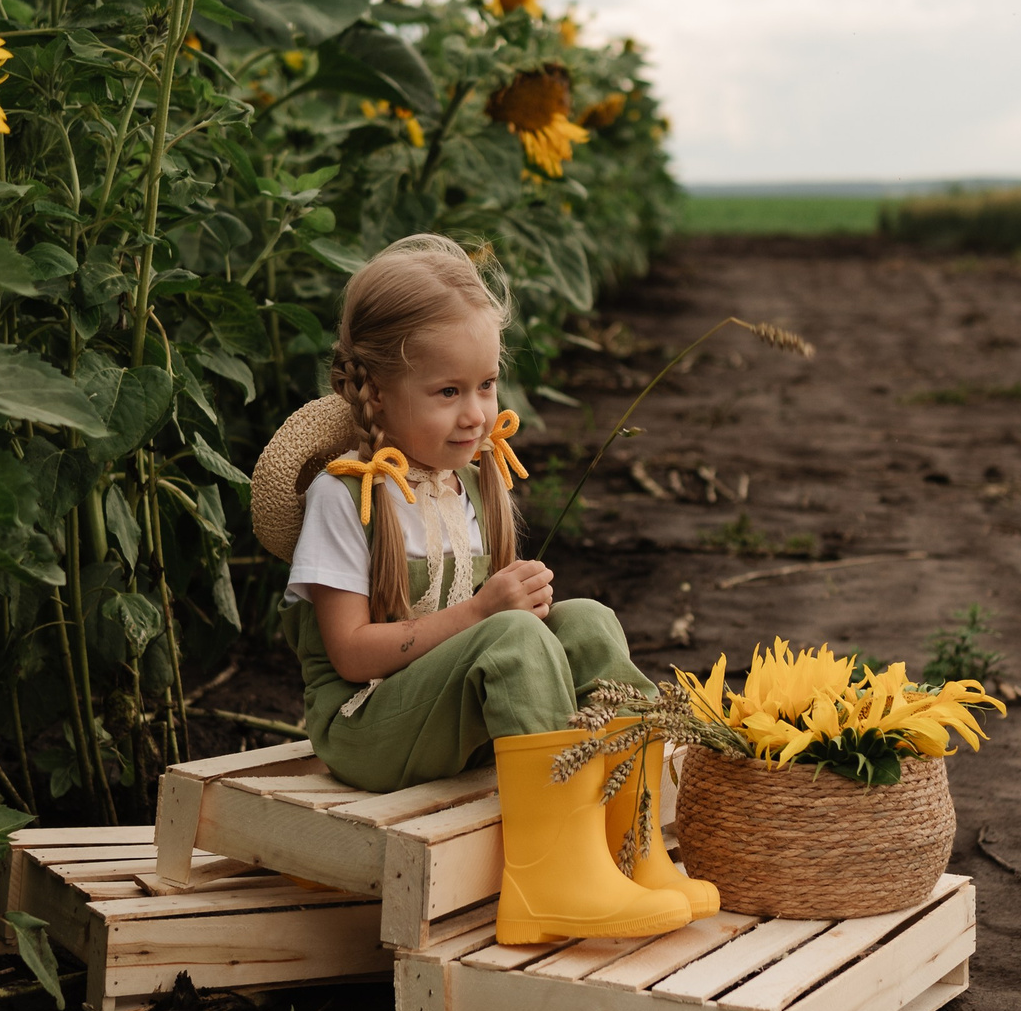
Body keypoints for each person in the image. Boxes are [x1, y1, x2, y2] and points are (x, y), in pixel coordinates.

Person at [248, 234, 717, 943]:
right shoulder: (346, 498)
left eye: (486, 385)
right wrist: (482, 611)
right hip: (365, 723)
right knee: (513, 636)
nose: (475, 413)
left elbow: (506, 628)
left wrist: (515, 604)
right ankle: (552, 878)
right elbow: (348, 654)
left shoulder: (467, 481)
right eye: (447, 392)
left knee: (588, 621)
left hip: (436, 715)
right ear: (375, 391)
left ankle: (633, 848)